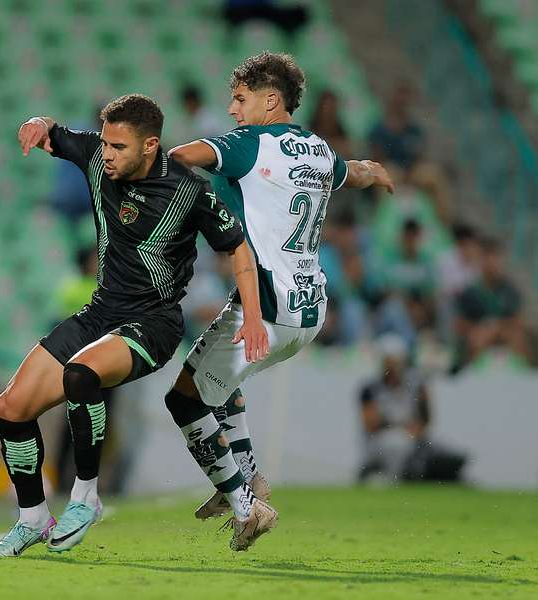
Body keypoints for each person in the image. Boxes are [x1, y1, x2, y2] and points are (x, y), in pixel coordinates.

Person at [0, 93, 268, 557]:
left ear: (150, 145)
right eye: (106, 144)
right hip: (100, 313)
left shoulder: (190, 190)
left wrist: (253, 316)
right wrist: (36, 122)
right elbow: (54, 131)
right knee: (10, 407)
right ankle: (32, 517)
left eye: (119, 147)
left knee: (81, 375)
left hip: (154, 323)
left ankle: (86, 497)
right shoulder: (97, 156)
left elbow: (238, 247)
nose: (107, 154)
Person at [166, 52, 394, 550]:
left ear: (271, 101)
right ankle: (248, 482)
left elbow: (181, 157)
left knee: (183, 399)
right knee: (221, 381)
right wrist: (374, 171)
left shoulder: (249, 144)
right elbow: (349, 172)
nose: (231, 109)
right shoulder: (318, 148)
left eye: (240, 98)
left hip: (265, 305)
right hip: (310, 310)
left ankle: (246, 504)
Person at [359, 334, 465, 482]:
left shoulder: (417, 384)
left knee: (448, 452)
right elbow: (371, 425)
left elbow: (426, 418)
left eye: (395, 361)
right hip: (382, 439)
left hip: (414, 436)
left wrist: (414, 431)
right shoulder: (370, 389)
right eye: (388, 362)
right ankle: (395, 479)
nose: (392, 367)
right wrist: (402, 429)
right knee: (395, 443)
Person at [452, 237, 527, 373]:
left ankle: (521, 374)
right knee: (477, 337)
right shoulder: (470, 292)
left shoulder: (510, 290)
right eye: (488, 258)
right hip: (479, 332)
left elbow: (518, 319)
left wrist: (496, 327)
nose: (492, 263)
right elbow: (460, 324)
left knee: (517, 337)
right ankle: (473, 374)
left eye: (496, 258)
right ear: (481, 261)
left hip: (503, 332)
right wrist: (483, 328)